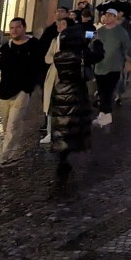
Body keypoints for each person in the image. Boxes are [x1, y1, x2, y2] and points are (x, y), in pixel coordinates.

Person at [50, 23, 105, 177]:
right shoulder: (81, 55)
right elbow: (99, 56)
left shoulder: (59, 56)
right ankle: (75, 148)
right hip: (76, 91)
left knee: (62, 124)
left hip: (60, 91)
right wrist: (96, 41)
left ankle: (63, 157)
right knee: (75, 123)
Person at [0, 18, 42, 169]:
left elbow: (39, 67)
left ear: (24, 28)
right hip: (5, 92)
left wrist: (30, 86)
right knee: (8, 126)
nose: (14, 30)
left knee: (13, 125)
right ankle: (15, 154)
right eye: (11, 28)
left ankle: (3, 158)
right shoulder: (5, 48)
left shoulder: (34, 45)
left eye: (17, 27)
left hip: (22, 92)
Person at [92, 8, 129, 127]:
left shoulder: (121, 32)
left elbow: (126, 48)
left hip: (114, 66)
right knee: (102, 91)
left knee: (108, 91)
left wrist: (127, 63)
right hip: (100, 66)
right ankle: (104, 113)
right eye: (105, 15)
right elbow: (91, 44)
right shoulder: (99, 31)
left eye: (109, 15)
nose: (106, 17)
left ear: (114, 17)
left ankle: (106, 114)